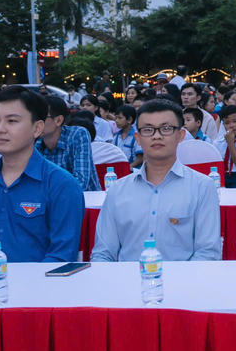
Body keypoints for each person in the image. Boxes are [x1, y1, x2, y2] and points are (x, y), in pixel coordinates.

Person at [0, 88, 85, 262]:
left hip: (40, 285)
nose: (0, 129)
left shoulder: (61, 185)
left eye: (12, 121)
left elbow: (61, 256)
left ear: (37, 128)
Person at [91, 100, 220, 262]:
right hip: (127, 283)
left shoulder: (202, 186)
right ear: (137, 138)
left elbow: (207, 253)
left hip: (184, 283)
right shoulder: (118, 190)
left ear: (180, 136)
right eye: (148, 130)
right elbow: (102, 253)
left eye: (166, 129)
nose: (157, 136)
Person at [37, 96, 100, 191]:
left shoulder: (78, 135)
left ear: (58, 120)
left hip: (86, 202)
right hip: (51, 201)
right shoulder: (35, 141)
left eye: (41, 118)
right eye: (33, 117)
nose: (35, 123)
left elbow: (80, 182)